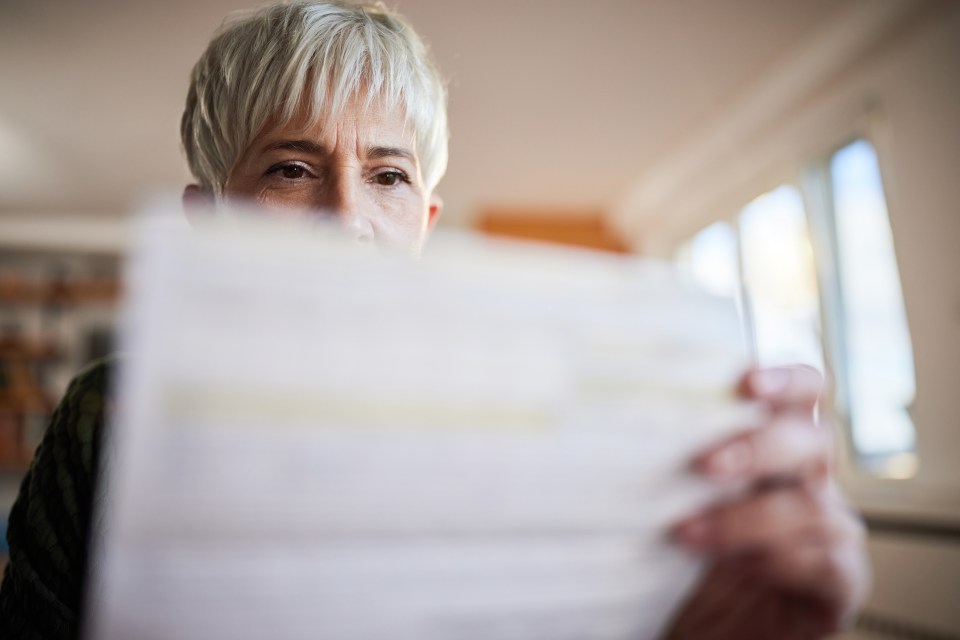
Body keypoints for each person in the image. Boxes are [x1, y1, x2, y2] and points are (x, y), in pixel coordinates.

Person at [0, 2, 869, 638]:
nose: (348, 218)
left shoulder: (564, 422)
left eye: (388, 176)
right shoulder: (106, 415)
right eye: (293, 169)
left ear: (425, 220)